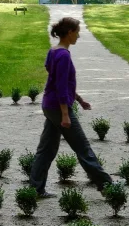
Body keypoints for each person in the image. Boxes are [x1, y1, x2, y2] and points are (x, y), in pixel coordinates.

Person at [28, 16, 113, 197]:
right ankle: (107, 186)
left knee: (46, 149)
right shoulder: (64, 56)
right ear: (69, 33)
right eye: (77, 33)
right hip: (59, 108)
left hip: (49, 106)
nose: (78, 37)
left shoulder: (53, 52)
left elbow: (59, 81)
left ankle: (35, 189)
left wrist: (79, 99)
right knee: (83, 148)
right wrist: (66, 114)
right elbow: (60, 86)